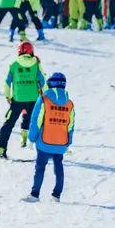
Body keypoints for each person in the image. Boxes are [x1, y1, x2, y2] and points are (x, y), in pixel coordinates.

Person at [26, 72, 74, 202]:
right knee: (58, 166)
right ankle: (56, 195)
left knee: (40, 167)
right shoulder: (69, 104)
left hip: (44, 142)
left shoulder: (44, 99)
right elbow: (70, 125)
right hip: (61, 143)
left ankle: (35, 194)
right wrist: (68, 142)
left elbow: (36, 120)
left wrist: (31, 138)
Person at [0, 41, 45, 158]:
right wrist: (44, 97)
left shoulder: (14, 64)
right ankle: (44, 151)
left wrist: (7, 95)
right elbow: (43, 82)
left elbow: (7, 83)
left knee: (8, 124)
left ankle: (0, 148)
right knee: (39, 124)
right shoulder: (36, 64)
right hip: (34, 101)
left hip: (17, 101)